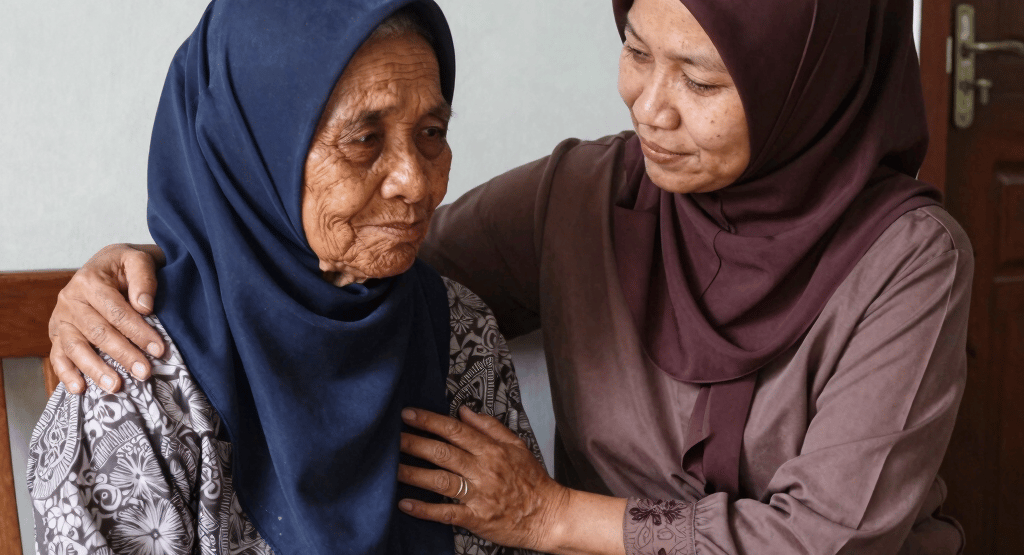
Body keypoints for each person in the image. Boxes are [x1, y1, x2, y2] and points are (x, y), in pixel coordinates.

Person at [46, 0, 973, 553]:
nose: (651, 107)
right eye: (637, 51)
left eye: (699, 79)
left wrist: (552, 514)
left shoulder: (908, 259)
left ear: (805, 86)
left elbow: (828, 540)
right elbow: (351, 252)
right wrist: (174, 265)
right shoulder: (586, 194)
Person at [28, 1, 544, 554]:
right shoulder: (132, 389)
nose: (415, 182)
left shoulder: (459, 330)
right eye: (365, 139)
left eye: (432, 131)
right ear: (255, 153)